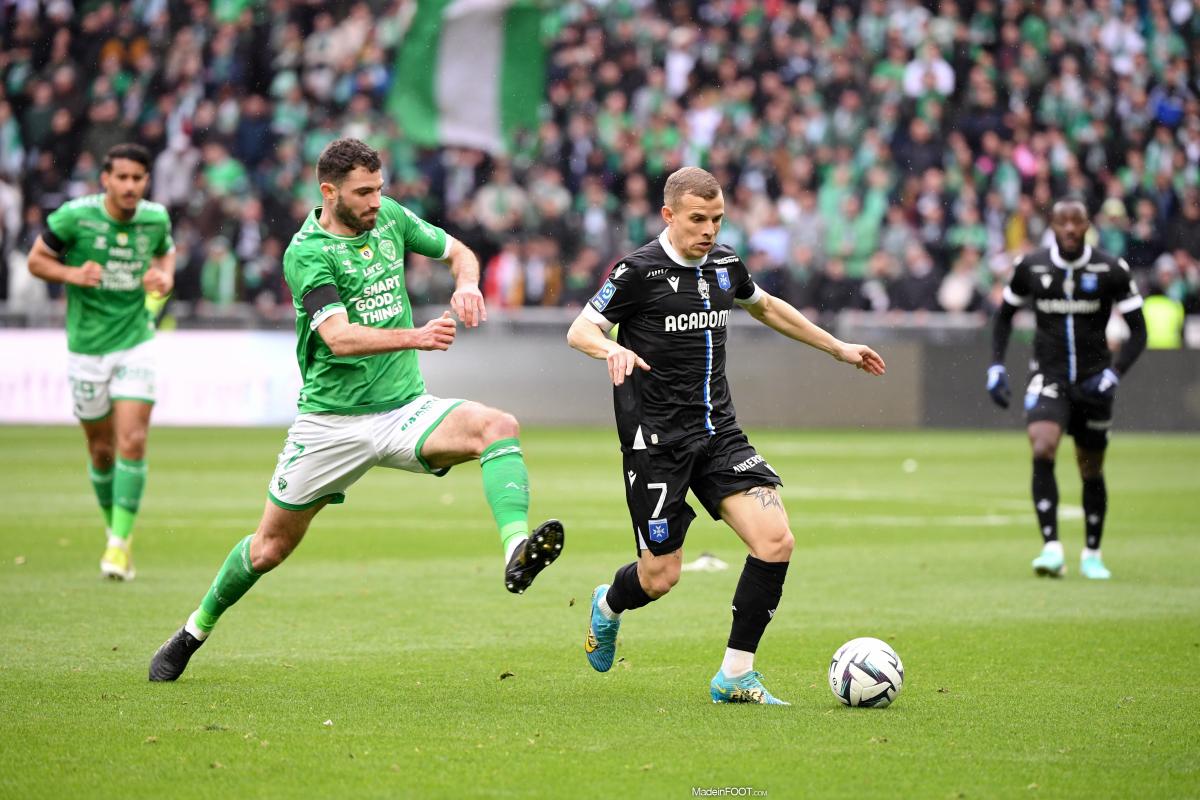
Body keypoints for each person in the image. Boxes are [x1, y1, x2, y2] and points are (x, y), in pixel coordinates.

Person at [149, 138, 564, 681]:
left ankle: (515, 551)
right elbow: (339, 339)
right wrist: (415, 336)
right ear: (329, 192)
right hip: (331, 424)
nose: (375, 201)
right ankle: (193, 631)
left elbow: (460, 250)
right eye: (363, 192)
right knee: (269, 547)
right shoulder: (307, 252)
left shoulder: (388, 217)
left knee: (497, 426)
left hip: (404, 410)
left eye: (380, 189)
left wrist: (467, 285)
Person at [566, 167, 886, 705]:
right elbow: (580, 329)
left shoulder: (723, 263)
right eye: (697, 219)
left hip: (719, 434)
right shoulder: (637, 271)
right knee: (660, 577)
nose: (709, 230)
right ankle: (608, 606)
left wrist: (838, 347)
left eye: (716, 218)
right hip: (656, 445)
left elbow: (764, 306)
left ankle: (736, 674)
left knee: (776, 540)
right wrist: (610, 347)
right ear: (668, 216)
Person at [26, 143, 175, 581]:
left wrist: (163, 277)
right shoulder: (75, 217)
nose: (130, 186)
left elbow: (166, 252)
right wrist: (73, 274)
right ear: (105, 179)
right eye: (122, 178)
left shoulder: (156, 218)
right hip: (87, 348)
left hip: (136, 340)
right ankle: (117, 531)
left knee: (132, 441)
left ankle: (117, 545)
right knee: (102, 448)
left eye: (138, 178)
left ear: (146, 181)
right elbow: (37, 260)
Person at [987, 199, 1147, 580]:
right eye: (1064, 222)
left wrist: (1115, 373)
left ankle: (1092, 553)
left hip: (1095, 380)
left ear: (1088, 225)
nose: (1071, 229)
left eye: (1078, 222)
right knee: (1042, 445)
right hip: (1049, 374)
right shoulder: (1031, 266)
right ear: (1053, 226)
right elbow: (1004, 318)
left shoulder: (1111, 269)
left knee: (1090, 466)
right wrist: (996, 365)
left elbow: (1140, 330)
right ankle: (1051, 548)